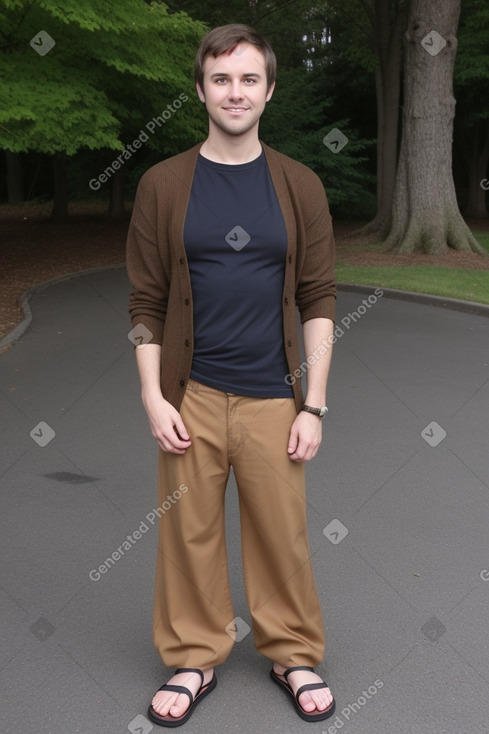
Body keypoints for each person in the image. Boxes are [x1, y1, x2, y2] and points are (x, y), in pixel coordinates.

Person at [126, 23, 337, 727]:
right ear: (199, 90)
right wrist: (153, 396)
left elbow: (318, 298)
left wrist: (314, 404)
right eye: (221, 79)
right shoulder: (162, 184)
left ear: (269, 90)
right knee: (188, 533)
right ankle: (194, 657)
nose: (234, 91)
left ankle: (292, 651)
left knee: (282, 532)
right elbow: (146, 302)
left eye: (248, 79)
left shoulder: (298, 184)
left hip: (275, 394)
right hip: (192, 394)